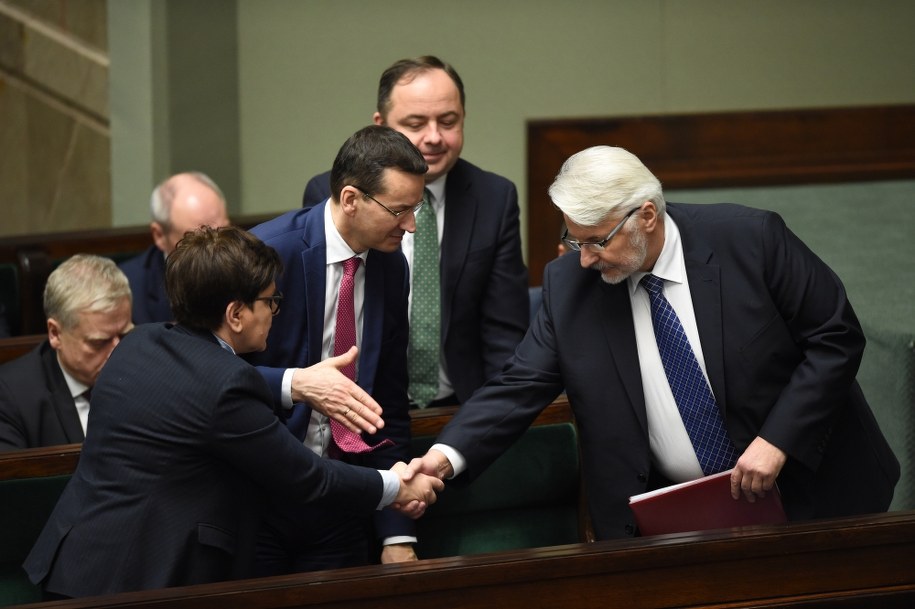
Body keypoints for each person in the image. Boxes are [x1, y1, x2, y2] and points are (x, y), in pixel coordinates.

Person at [406, 145, 900, 540]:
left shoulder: (751, 240)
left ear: (646, 215)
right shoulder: (570, 286)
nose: (584, 259)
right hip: (679, 524)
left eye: (597, 241)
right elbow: (518, 386)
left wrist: (778, 440)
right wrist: (446, 456)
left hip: (814, 497)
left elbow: (835, 337)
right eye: (575, 241)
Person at [23, 226, 442, 599]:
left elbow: (198, 389)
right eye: (270, 300)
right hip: (137, 579)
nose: (275, 311)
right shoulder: (224, 388)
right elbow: (309, 477)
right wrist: (397, 486)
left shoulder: (141, 342)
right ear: (235, 314)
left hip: (73, 561)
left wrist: (295, 383)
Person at [245, 125, 427, 573]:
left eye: (416, 209)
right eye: (400, 211)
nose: (411, 226)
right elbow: (208, 372)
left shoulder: (390, 266)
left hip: (343, 500)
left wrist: (396, 531)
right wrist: (297, 384)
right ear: (351, 199)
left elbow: (387, 400)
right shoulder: (269, 253)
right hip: (256, 502)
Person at [303, 56, 529, 408]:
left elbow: (504, 334)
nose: (434, 137)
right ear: (380, 125)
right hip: (363, 405)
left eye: (448, 121)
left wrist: (490, 421)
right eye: (416, 123)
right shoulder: (332, 195)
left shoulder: (494, 198)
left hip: (462, 405)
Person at [0, 254, 132, 450]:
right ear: (55, 333)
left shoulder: (148, 372)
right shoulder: (11, 398)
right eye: (99, 343)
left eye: (124, 335)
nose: (117, 352)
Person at [119, 171, 230, 324]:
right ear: (159, 235)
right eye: (197, 240)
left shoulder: (251, 273)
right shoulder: (127, 290)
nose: (215, 247)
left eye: (223, 232)